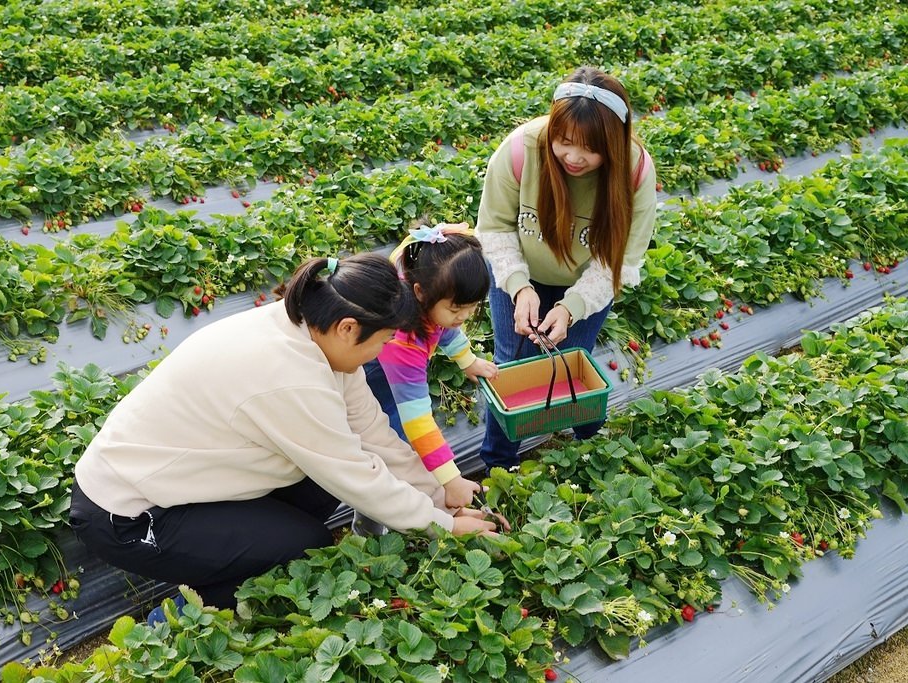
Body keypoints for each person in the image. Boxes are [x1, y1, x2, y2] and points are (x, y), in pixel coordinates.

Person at [68, 253, 505, 622]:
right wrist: (446, 528)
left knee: (316, 493)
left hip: (183, 482)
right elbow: (356, 475)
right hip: (128, 512)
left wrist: (436, 496)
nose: (382, 353)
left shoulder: (311, 330)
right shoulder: (289, 376)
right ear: (349, 328)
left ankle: (235, 556)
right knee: (305, 543)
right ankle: (175, 620)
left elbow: (372, 434)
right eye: (384, 340)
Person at [475, 66, 658, 471]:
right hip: (519, 270)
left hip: (585, 281)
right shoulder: (522, 151)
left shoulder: (633, 173)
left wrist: (572, 306)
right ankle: (498, 465)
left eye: (590, 149)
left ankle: (589, 449)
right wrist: (520, 288)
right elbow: (495, 229)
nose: (574, 157)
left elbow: (619, 260)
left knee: (576, 360)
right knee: (512, 364)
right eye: (564, 142)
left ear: (613, 144)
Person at [364, 223, 499, 511]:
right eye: (455, 309)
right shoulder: (403, 342)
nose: (463, 316)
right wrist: (452, 479)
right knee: (393, 445)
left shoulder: (421, 262)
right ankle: (382, 514)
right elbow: (419, 422)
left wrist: (468, 361)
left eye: (471, 306)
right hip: (370, 376)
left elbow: (445, 326)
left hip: (384, 366)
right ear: (420, 293)